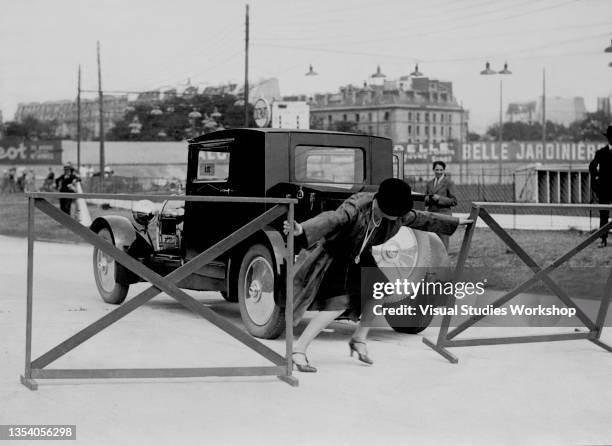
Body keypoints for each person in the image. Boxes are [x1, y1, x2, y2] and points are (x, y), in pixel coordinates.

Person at [283, 178, 470, 372]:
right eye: (393, 213)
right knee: (338, 304)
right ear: (379, 203)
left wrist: (456, 222)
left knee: (379, 290)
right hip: (336, 254)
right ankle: (298, 350)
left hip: (360, 254)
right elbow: (332, 218)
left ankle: (359, 339)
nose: (396, 218)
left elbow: (420, 218)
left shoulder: (397, 214)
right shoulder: (356, 207)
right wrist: (303, 229)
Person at [424, 160, 457, 250]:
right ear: (433, 170)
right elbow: (425, 199)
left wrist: (440, 199)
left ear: (444, 170)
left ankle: (444, 263)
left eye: (441, 170)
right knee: (432, 243)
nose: (439, 172)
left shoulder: (449, 183)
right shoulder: (429, 183)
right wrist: (427, 199)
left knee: (443, 244)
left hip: (444, 217)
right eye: (437, 170)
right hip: (431, 216)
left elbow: (454, 201)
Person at [589, 125, 612, 248]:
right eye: (611, 137)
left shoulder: (601, 152)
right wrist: (597, 179)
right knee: (604, 215)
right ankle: (603, 239)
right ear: (608, 138)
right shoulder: (601, 153)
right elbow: (592, 167)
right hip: (605, 189)